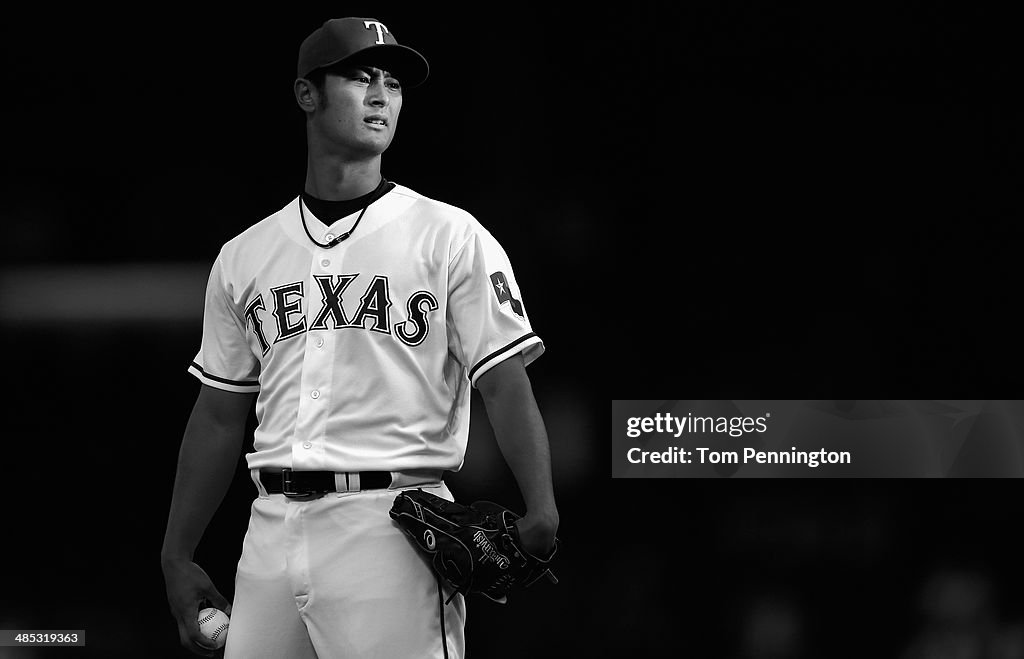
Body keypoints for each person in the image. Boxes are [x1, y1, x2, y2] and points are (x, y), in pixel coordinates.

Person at [160, 17, 559, 659]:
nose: (381, 95)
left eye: (393, 83)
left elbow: (505, 382)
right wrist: (177, 551)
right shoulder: (244, 256)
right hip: (270, 531)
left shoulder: (450, 235)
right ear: (306, 94)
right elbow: (216, 416)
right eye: (360, 76)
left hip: (394, 524)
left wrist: (541, 507)